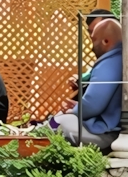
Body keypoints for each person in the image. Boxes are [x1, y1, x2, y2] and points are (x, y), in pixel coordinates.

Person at [53, 18, 123, 150]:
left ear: (106, 41)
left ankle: (30, 135)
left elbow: (93, 105)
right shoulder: (123, 58)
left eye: (93, 40)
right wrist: (79, 107)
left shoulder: (109, 63)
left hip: (106, 134)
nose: (91, 48)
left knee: (57, 122)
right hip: (118, 132)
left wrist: (73, 110)